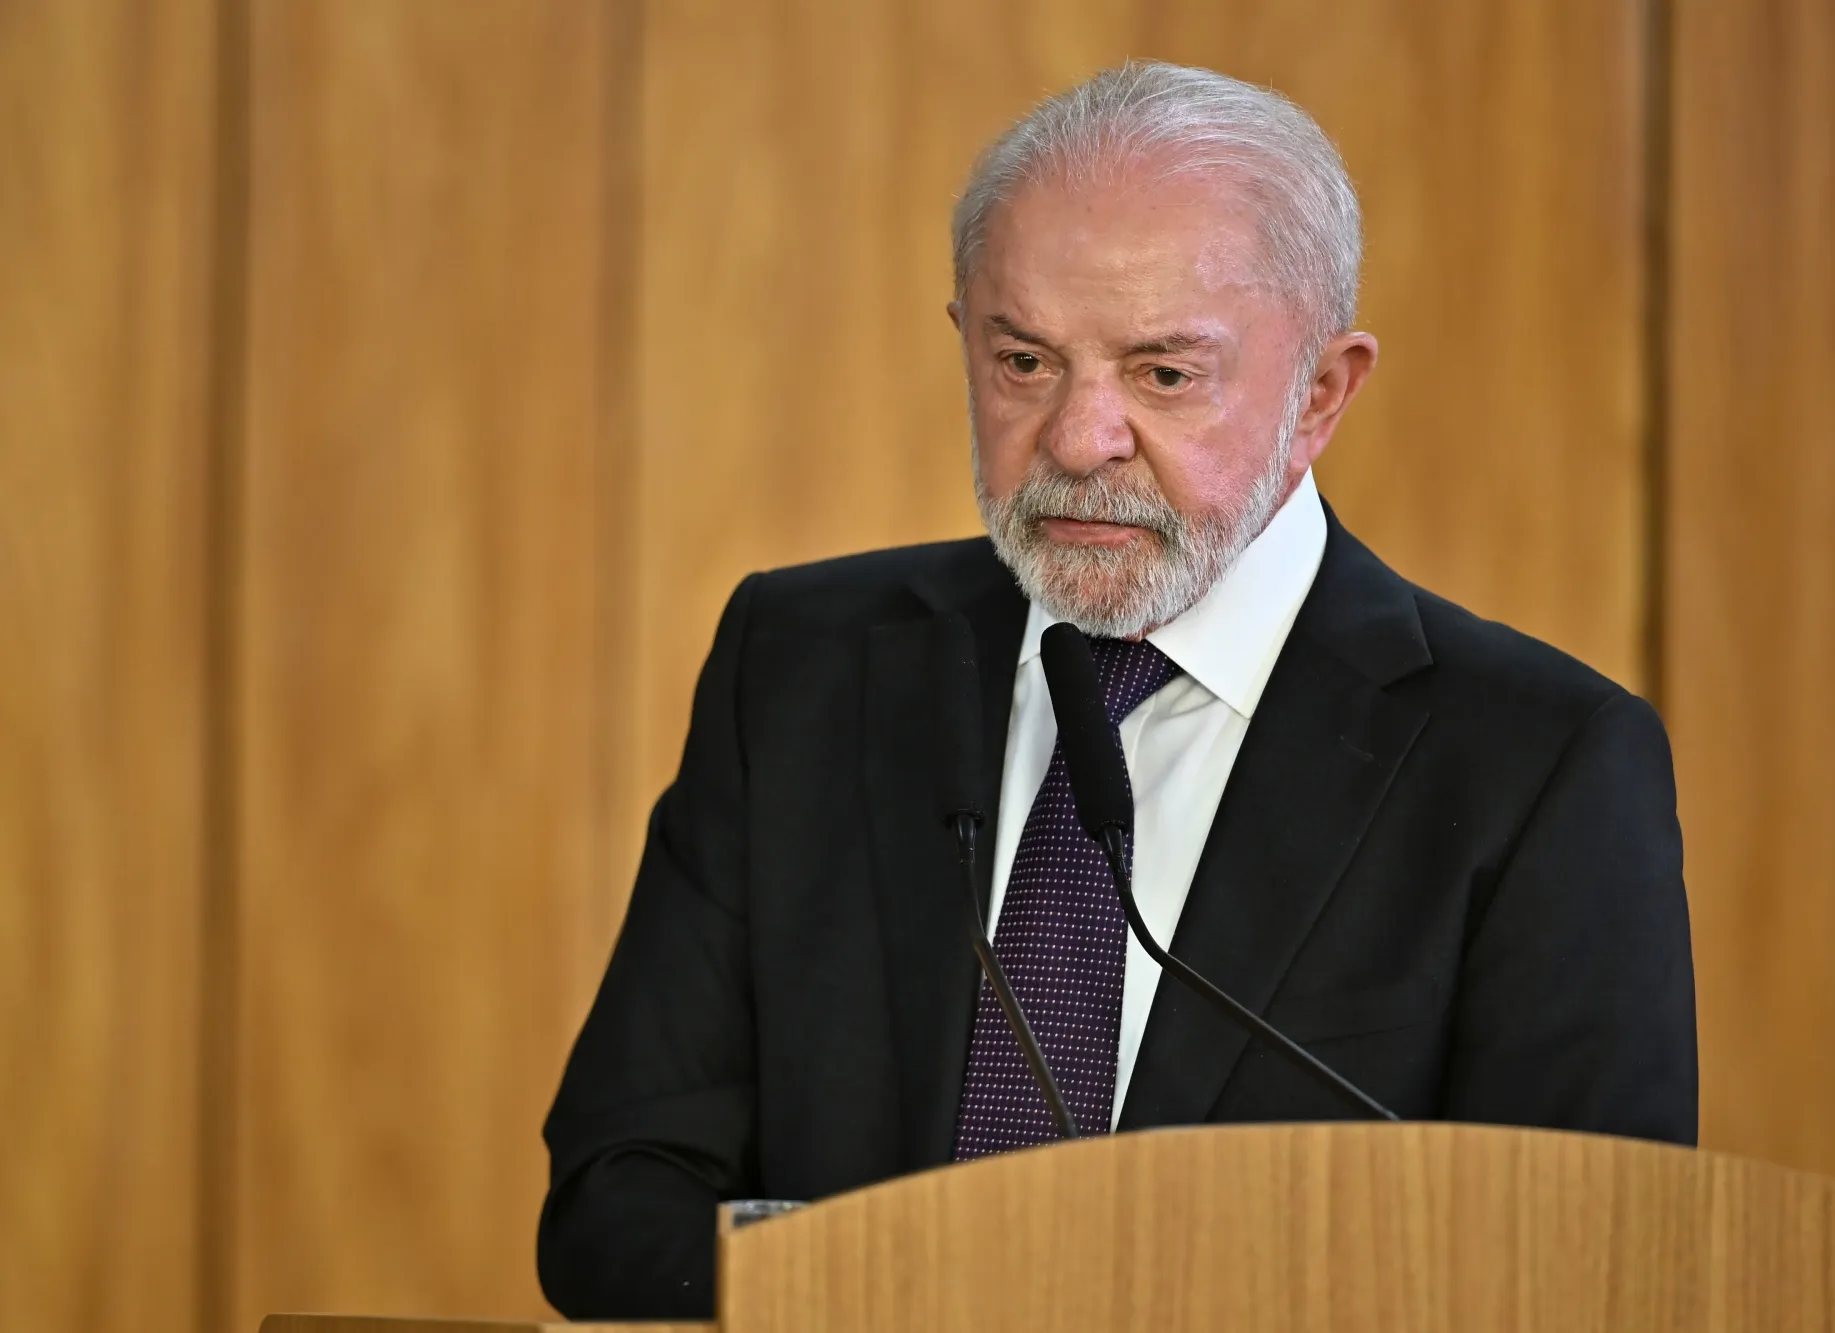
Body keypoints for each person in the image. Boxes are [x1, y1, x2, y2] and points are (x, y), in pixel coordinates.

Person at [537, 61, 1696, 1319]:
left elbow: (1595, 1275)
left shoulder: (1537, 762)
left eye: (1162, 375)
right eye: (1024, 362)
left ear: (1320, 393)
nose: (1081, 438)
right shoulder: (805, 667)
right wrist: (914, 1293)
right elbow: (619, 1198)